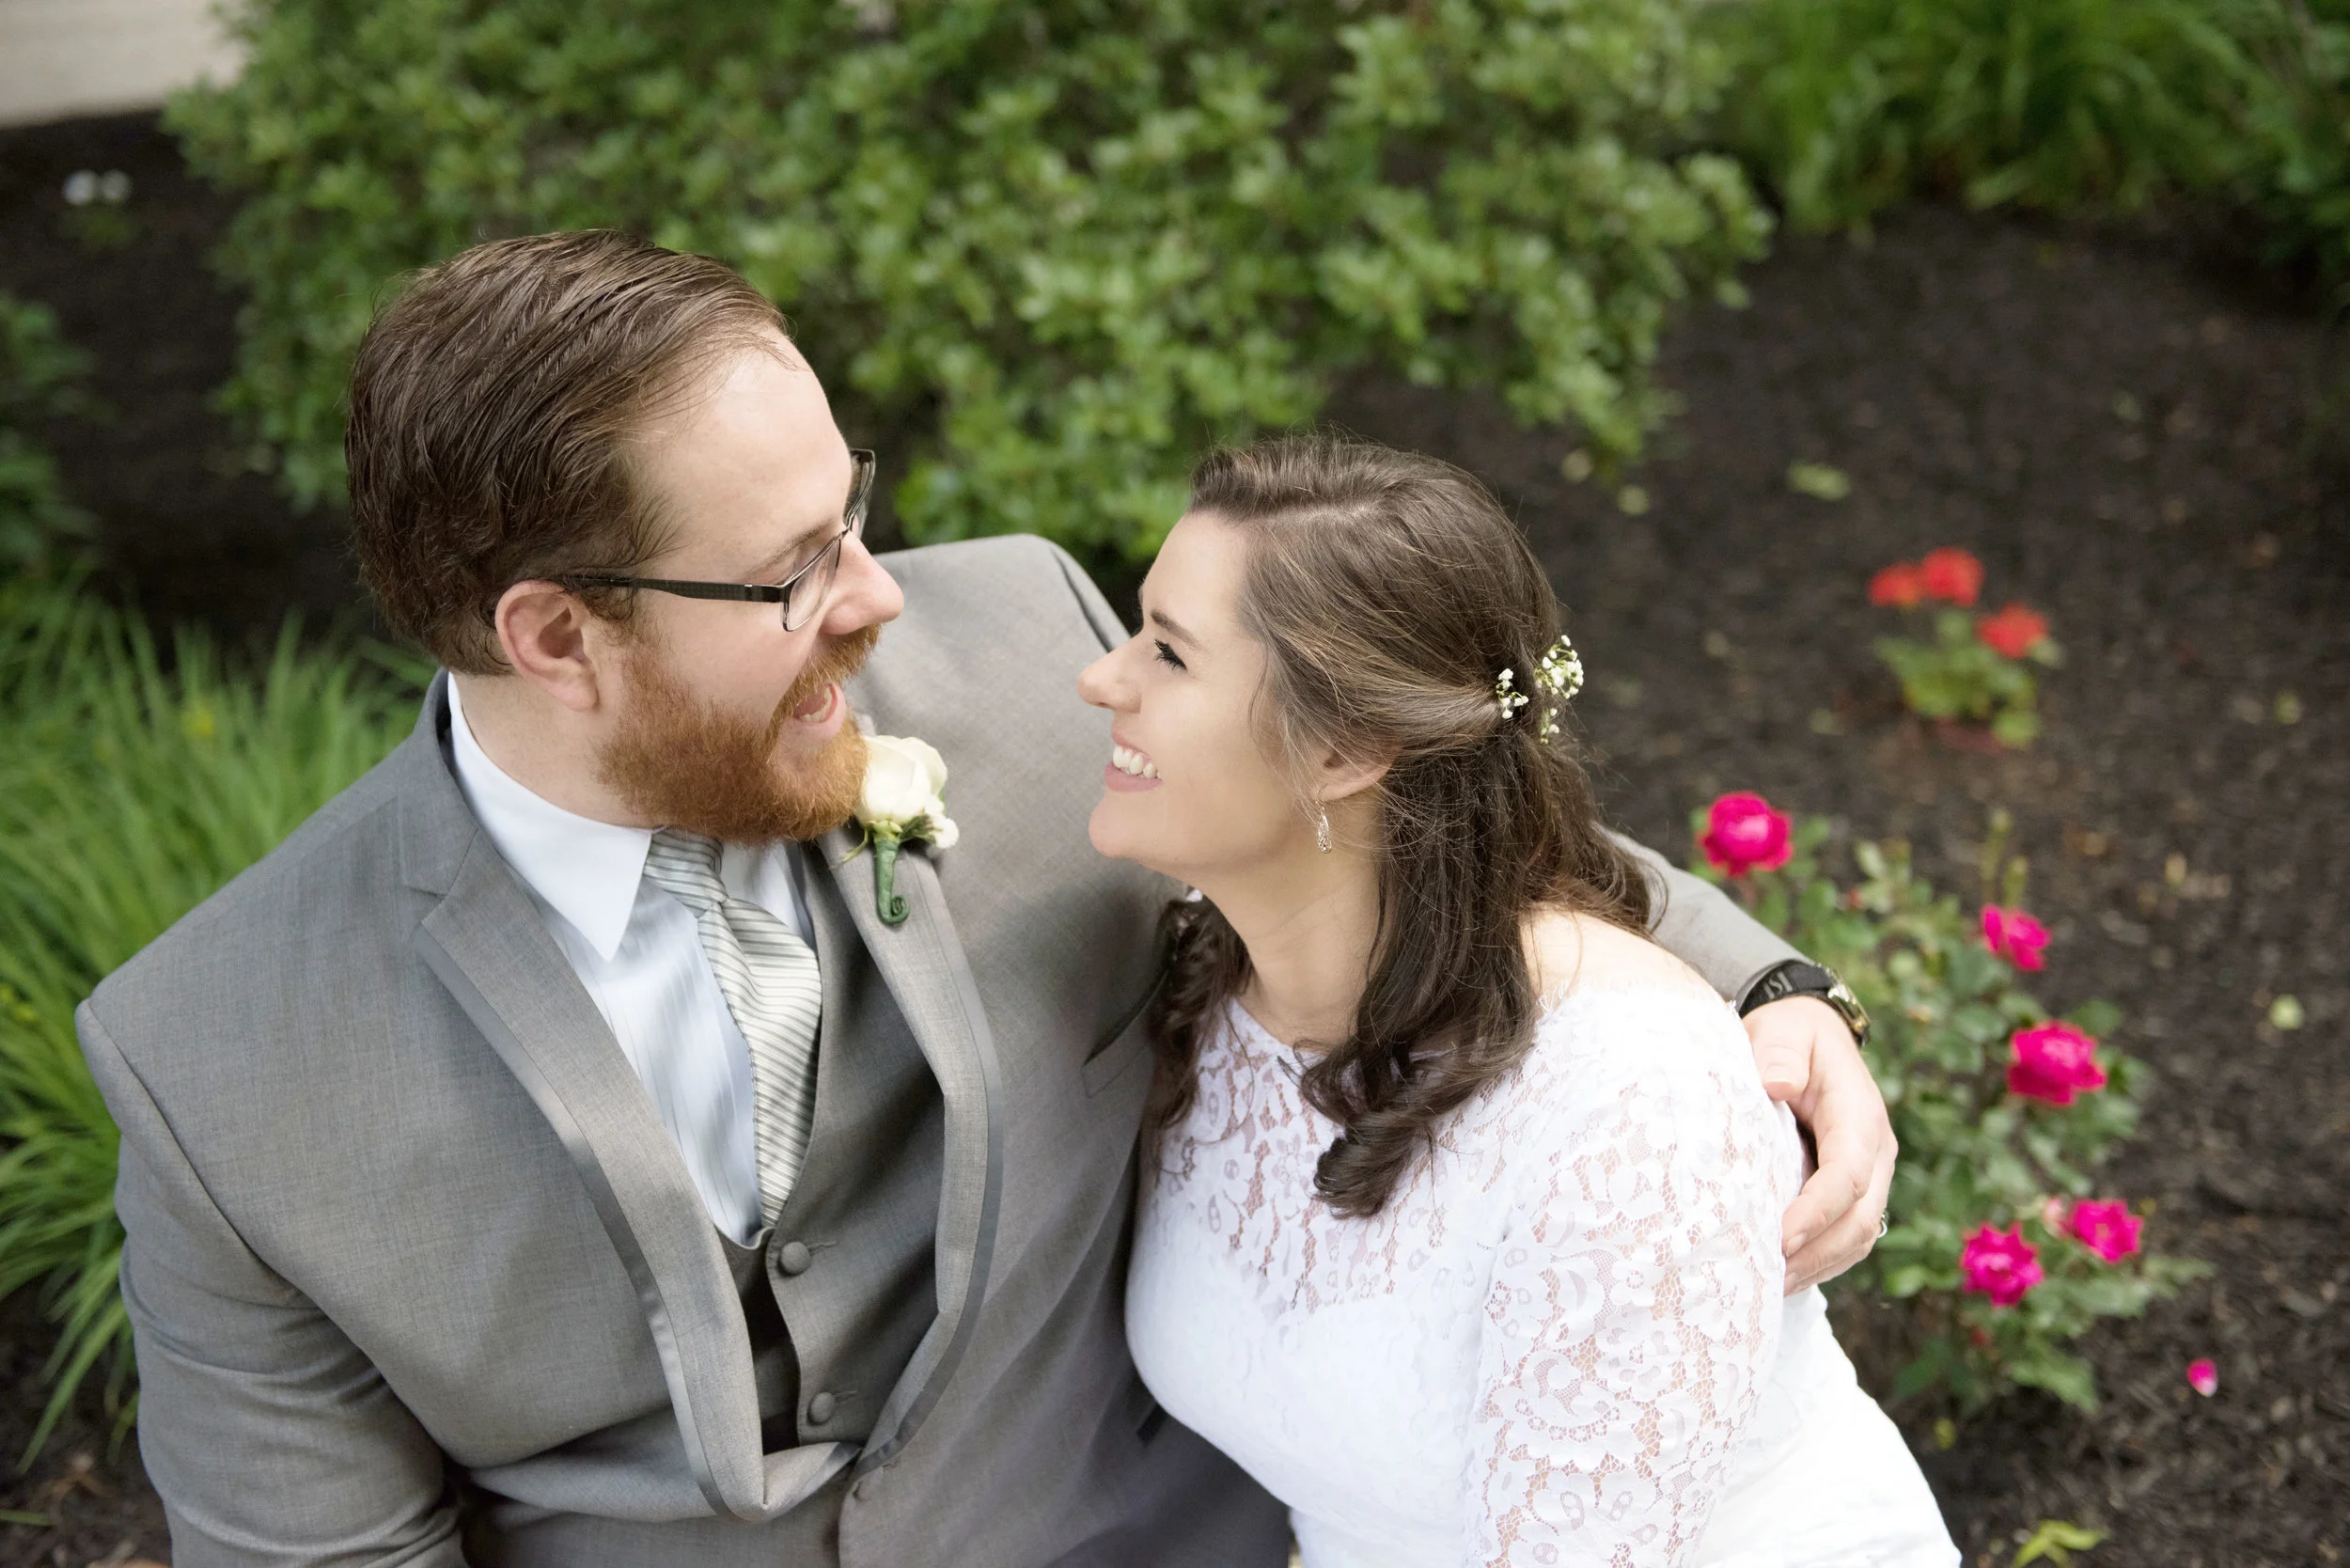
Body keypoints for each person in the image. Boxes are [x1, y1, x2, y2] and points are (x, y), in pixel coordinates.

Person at [79, 231, 1893, 1565]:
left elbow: (1395, 805)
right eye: (793, 571)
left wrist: (1760, 983)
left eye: (850, 508)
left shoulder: (1029, 652)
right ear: (557, 635)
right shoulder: (218, 1064)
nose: (880, 597)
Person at [1092, 434, 1958, 1567]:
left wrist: (1784, 992)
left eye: (1166, 651)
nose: (1099, 677)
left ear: (1348, 746)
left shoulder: (1627, 1111)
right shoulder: (1211, 974)